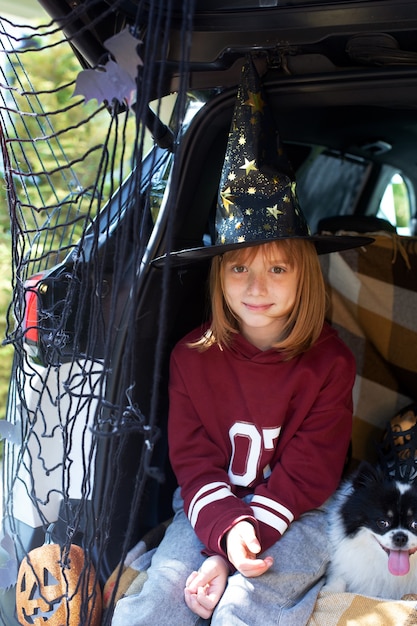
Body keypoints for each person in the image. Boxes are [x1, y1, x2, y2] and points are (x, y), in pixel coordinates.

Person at [111, 56, 372, 626]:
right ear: (217, 276)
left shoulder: (328, 361)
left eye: (277, 270)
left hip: (299, 513)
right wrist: (224, 535)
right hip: (207, 506)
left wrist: (238, 551)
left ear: (304, 274)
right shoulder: (192, 358)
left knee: (243, 608)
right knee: (159, 603)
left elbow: (311, 470)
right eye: (238, 270)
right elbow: (194, 459)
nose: (255, 288)